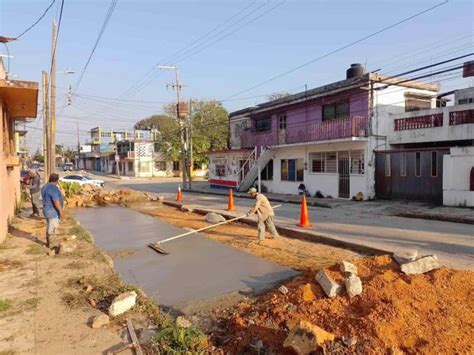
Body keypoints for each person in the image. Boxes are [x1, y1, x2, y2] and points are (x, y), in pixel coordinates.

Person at [41, 173, 64, 248]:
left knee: (49, 226)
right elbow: (56, 201)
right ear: (57, 180)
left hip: (46, 210)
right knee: (53, 229)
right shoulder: (53, 188)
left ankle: (48, 244)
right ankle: (52, 246)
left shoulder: (45, 187)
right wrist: (61, 211)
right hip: (52, 211)